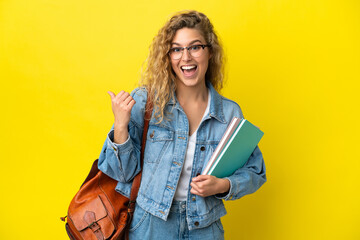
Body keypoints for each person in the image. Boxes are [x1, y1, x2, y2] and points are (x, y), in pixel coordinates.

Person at [98, 10, 266, 239]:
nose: (185, 57)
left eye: (195, 47)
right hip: (151, 225)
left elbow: (255, 172)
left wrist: (222, 185)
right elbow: (121, 173)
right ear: (167, 57)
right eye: (176, 49)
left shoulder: (229, 113)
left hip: (205, 227)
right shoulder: (146, 102)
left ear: (209, 52)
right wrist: (120, 125)